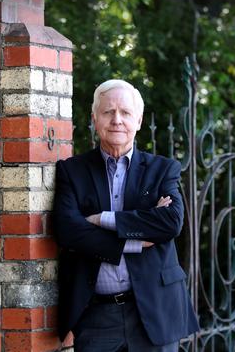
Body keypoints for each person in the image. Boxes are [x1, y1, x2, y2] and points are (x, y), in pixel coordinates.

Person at [53, 79, 199, 351]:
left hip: (155, 310)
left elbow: (171, 222)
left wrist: (102, 219)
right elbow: (68, 230)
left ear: (139, 120)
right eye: (108, 112)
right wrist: (133, 240)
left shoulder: (163, 169)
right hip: (95, 316)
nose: (116, 120)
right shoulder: (72, 171)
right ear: (95, 119)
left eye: (125, 113)